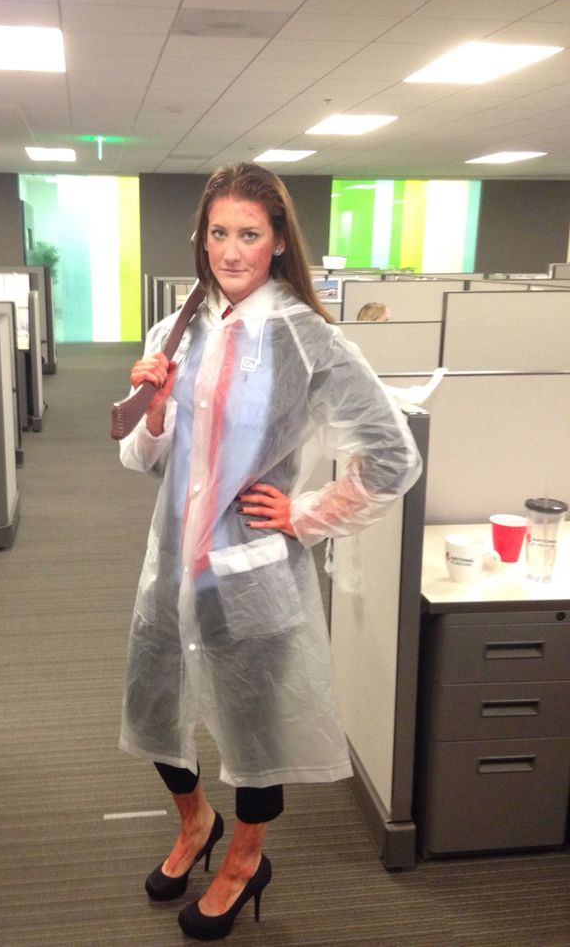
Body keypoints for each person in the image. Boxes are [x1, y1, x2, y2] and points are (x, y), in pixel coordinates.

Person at [118, 163, 421, 940]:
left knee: (256, 738)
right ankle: (195, 825)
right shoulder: (177, 326)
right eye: (218, 232)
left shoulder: (307, 337)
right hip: (169, 567)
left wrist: (307, 512)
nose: (230, 249)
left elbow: (392, 456)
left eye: (249, 233)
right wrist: (154, 411)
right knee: (157, 712)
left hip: (250, 573)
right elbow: (143, 461)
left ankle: (247, 858)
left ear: (279, 240)